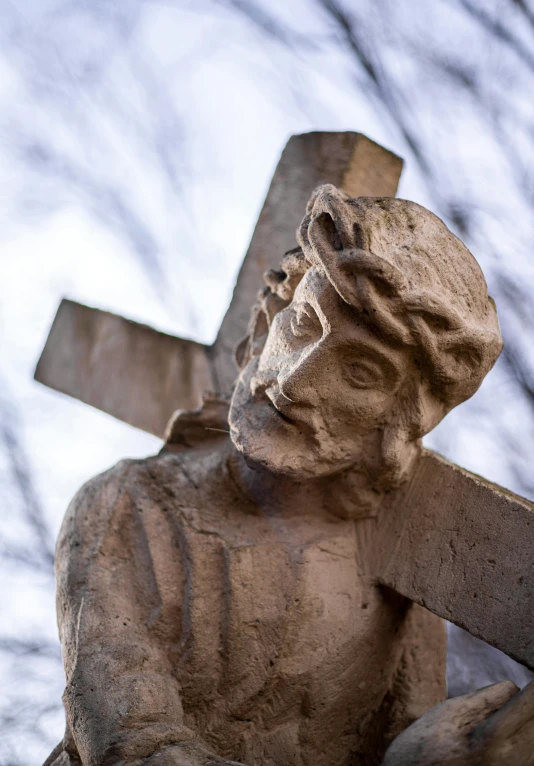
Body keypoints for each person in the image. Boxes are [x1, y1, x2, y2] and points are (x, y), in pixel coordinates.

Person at [47, 185, 524, 766]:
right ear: (274, 312)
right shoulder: (126, 504)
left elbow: (405, 735)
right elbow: (134, 748)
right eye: (303, 323)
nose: (296, 381)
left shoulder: (400, 568)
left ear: (396, 422)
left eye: (359, 372)